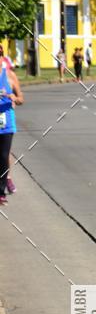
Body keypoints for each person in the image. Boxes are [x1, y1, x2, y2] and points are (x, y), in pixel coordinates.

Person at [0, 61, 23, 206]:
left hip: (6, 123)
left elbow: (21, 99)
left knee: (3, 156)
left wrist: (14, 98)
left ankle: (1, 192)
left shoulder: (9, 76)